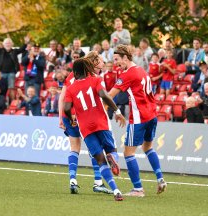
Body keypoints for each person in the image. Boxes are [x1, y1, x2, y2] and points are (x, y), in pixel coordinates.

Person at [64, 57, 126, 201]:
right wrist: (117, 112)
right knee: (112, 150)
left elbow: (66, 107)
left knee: (99, 160)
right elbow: (104, 95)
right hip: (101, 123)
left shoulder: (71, 88)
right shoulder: (96, 80)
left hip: (85, 128)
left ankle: (116, 190)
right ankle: (112, 158)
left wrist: (72, 118)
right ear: (87, 69)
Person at [109, 44, 167, 197]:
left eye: (117, 60)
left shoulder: (127, 75)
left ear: (126, 58)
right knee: (148, 148)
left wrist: (115, 110)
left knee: (128, 154)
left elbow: (109, 96)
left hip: (139, 118)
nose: (116, 63)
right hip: (152, 115)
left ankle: (138, 189)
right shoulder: (141, 70)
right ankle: (160, 179)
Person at [59, 52, 114, 195]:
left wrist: (61, 118)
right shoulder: (91, 77)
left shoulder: (73, 75)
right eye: (101, 62)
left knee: (74, 147)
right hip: (83, 116)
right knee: (94, 149)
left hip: (68, 115)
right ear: (94, 63)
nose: (102, 65)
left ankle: (72, 180)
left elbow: (63, 97)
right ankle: (98, 182)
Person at [0, 34, 30, 102]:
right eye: (6, 43)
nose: (8, 44)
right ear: (3, 44)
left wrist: (26, 43)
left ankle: (12, 103)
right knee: (1, 88)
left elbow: (21, 49)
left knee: (11, 88)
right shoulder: (1, 51)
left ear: (12, 44)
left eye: (9, 43)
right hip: (2, 72)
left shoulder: (14, 51)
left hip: (11, 73)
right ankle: (1, 101)